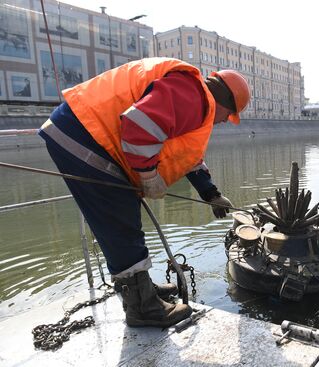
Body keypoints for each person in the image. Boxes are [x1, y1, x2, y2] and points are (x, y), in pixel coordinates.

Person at [38, 57, 250, 328]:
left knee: (122, 216)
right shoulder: (193, 96)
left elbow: (186, 155)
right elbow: (138, 126)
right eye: (227, 118)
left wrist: (211, 193)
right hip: (85, 135)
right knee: (119, 219)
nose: (222, 123)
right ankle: (142, 307)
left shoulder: (193, 98)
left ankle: (141, 288)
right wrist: (148, 176)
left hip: (83, 131)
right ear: (225, 105)